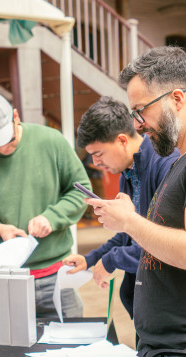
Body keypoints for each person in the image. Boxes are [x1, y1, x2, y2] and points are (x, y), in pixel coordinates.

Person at [85, 47, 186, 357]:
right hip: (163, 354)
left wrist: (129, 221)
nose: (139, 125)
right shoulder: (177, 164)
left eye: (142, 111)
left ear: (177, 100)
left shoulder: (168, 163)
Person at [0, 92, 91, 318]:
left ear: (16, 116)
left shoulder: (51, 141)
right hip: (0, 280)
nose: (2, 148)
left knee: (71, 347)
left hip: (57, 276)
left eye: (8, 139)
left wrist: (51, 218)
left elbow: (81, 190)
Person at [63, 96, 179, 319]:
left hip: (169, 310)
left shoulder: (165, 164)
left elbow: (163, 243)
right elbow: (128, 236)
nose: (95, 163)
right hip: (146, 305)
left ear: (122, 140)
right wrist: (91, 259)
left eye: (98, 154)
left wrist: (112, 259)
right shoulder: (128, 171)